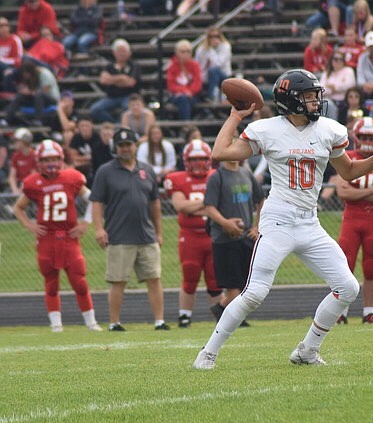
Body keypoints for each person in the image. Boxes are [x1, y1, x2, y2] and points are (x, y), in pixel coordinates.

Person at [193, 69, 373, 370]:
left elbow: (349, 171)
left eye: (316, 96)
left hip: (309, 221)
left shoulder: (329, 130)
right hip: (278, 220)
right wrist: (235, 116)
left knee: (347, 286)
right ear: (291, 100)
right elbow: (220, 151)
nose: (316, 102)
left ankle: (307, 350)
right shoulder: (268, 129)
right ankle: (208, 352)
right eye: (309, 96)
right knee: (254, 293)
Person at [13, 140, 101, 332]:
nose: (51, 163)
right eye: (46, 159)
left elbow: (93, 199)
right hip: (47, 238)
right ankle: (56, 324)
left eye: (54, 159)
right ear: (39, 161)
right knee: (51, 284)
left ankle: (91, 323)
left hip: (69, 237)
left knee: (80, 282)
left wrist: (86, 222)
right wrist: (29, 225)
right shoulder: (33, 182)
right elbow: (18, 207)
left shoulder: (72, 177)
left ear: (61, 159)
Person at [90, 127, 170, 331]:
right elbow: (97, 202)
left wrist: (159, 232)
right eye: (121, 145)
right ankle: (114, 323)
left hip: (146, 234)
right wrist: (99, 229)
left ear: (136, 146)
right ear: (116, 148)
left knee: (154, 278)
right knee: (118, 281)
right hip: (119, 236)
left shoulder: (147, 170)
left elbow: (155, 204)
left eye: (128, 144)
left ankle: (159, 321)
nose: (125, 148)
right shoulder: (105, 171)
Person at [335, 117, 373, 324]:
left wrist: (358, 192)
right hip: (352, 220)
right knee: (346, 265)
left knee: (371, 267)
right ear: (356, 137)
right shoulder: (349, 157)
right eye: (364, 136)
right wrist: (372, 190)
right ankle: (341, 312)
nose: (368, 140)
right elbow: (343, 192)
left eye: (372, 137)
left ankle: (368, 311)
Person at [164, 139, 222, 328]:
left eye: (202, 159)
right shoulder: (177, 178)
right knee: (190, 275)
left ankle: (220, 317)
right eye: (194, 159)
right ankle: (184, 317)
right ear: (186, 160)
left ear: (209, 159)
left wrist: (193, 208)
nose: (198, 163)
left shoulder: (217, 175)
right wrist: (209, 204)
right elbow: (180, 206)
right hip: (190, 236)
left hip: (213, 234)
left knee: (215, 279)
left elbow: (219, 205)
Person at [204, 157, 265, 327]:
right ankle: (226, 312)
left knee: (246, 286)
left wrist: (256, 226)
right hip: (224, 239)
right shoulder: (217, 177)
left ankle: (222, 310)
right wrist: (226, 223)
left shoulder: (246, 173)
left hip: (245, 237)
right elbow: (209, 207)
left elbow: (261, 199)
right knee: (233, 287)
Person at [90, 38, 141, 123]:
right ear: (114, 53)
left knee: (128, 109)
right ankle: (113, 124)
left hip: (128, 96)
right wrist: (121, 78)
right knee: (95, 109)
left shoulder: (134, 66)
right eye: (119, 51)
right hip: (111, 97)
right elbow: (103, 80)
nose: (121, 54)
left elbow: (130, 83)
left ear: (129, 53)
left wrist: (112, 79)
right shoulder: (109, 66)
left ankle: (120, 125)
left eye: (123, 51)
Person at [166, 39, 202, 121]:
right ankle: (186, 124)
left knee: (185, 100)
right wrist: (184, 91)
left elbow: (197, 83)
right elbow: (171, 85)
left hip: (192, 95)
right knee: (183, 99)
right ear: (177, 53)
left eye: (188, 51)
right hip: (177, 95)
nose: (185, 54)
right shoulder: (172, 66)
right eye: (182, 52)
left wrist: (189, 92)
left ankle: (185, 125)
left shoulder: (195, 65)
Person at [194, 27, 232, 102]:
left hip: (223, 77)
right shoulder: (201, 49)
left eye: (217, 36)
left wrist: (211, 49)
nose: (214, 38)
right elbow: (197, 65)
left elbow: (218, 64)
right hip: (206, 77)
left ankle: (210, 96)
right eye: (211, 36)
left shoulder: (225, 46)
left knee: (213, 70)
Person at [319, 51, 356, 121]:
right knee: (326, 104)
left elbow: (350, 84)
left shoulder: (348, 70)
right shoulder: (326, 73)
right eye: (335, 59)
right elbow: (321, 90)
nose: (338, 61)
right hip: (330, 100)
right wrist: (333, 90)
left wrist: (334, 87)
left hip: (344, 101)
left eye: (341, 59)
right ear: (331, 60)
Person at [69, 114, 100, 187]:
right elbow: (73, 156)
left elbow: (97, 157)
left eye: (87, 125)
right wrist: (87, 158)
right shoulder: (76, 138)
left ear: (91, 126)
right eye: (82, 126)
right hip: (81, 164)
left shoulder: (97, 137)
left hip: (94, 164)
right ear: (78, 127)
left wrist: (84, 159)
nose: (84, 128)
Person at [8, 128, 37, 195]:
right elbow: (12, 176)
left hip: (31, 185)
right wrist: (15, 190)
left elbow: (33, 175)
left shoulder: (34, 155)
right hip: (19, 185)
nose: (14, 143)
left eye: (17, 140)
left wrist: (23, 188)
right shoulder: (15, 156)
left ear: (24, 141)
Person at [0, 17, 23, 93]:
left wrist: (3, 61)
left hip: (14, 67)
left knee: (8, 73)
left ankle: (10, 101)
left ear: (9, 27)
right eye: (1, 26)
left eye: (5, 25)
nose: (3, 28)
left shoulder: (15, 39)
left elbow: (18, 59)